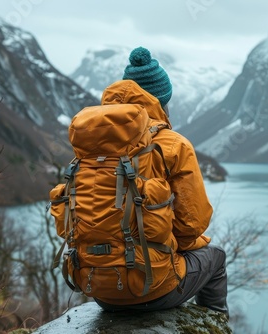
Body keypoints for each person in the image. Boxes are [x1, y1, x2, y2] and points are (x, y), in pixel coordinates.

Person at [93, 46, 228, 317]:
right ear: (161, 101)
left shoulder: (92, 143)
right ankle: (214, 324)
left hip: (97, 287)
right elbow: (191, 226)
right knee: (216, 257)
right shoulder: (173, 145)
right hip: (152, 290)